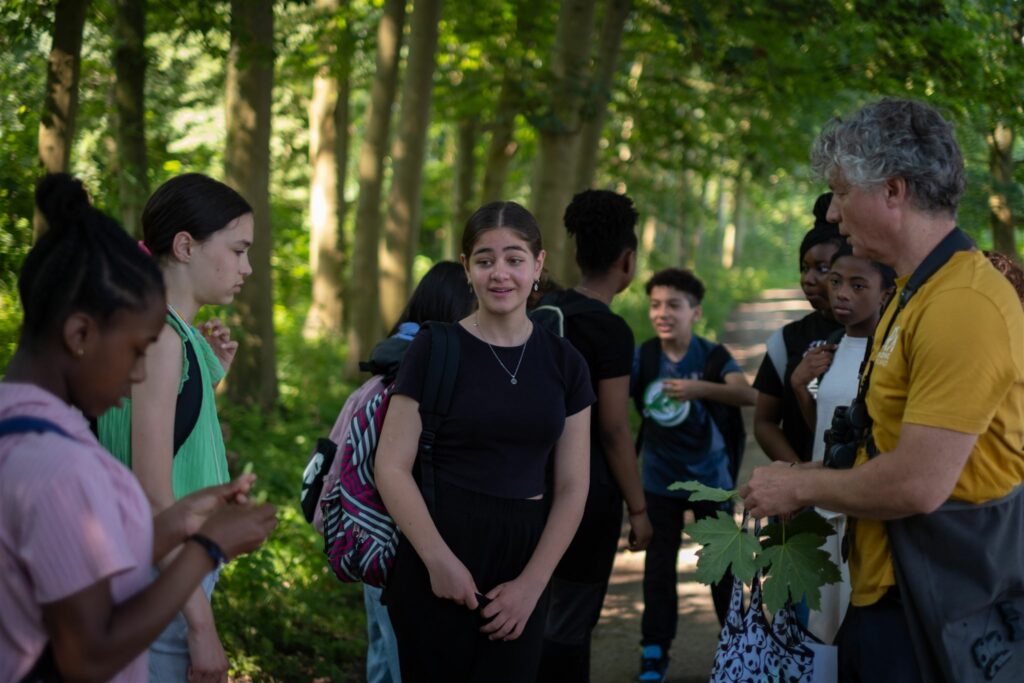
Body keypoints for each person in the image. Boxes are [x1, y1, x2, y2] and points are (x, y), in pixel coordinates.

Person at [741, 98, 1024, 682]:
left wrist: (801, 487)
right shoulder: (913, 293)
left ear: (893, 191)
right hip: (889, 588)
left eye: (843, 193)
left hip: (936, 603)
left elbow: (919, 483)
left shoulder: (962, 305)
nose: (836, 215)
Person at [0, 174, 276, 683]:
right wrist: (205, 552)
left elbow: (94, 561)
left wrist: (189, 521)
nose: (141, 373)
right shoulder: (59, 467)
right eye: (133, 352)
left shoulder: (29, 433)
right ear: (81, 333)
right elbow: (89, 653)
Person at [375, 201, 594, 682]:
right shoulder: (434, 347)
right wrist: (438, 561)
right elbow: (390, 465)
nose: (500, 274)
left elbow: (575, 486)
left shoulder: (566, 362)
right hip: (437, 547)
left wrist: (532, 585)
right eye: (485, 259)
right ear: (467, 268)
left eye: (514, 259)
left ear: (538, 266)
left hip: (525, 555)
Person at [97, 173, 254, 682]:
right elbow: (152, 497)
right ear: (186, 246)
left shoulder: (158, 332)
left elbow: (165, 442)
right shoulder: (162, 339)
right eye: (237, 250)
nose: (246, 268)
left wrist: (210, 377)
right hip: (160, 581)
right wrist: (202, 627)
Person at [314, 261, 476, 683]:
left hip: (370, 541)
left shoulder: (385, 363)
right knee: (407, 658)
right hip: (411, 550)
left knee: (384, 658)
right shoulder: (427, 375)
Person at [536, 190, 652, 683]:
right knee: (571, 622)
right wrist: (640, 509)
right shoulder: (610, 330)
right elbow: (612, 429)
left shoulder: (543, 311)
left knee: (531, 611)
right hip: (587, 499)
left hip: (525, 488)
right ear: (627, 261)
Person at [630, 268, 756, 683]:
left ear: (695, 312)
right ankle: (654, 653)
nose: (662, 313)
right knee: (658, 570)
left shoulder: (712, 356)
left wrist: (698, 389)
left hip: (710, 481)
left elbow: (746, 393)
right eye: (655, 304)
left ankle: (738, 650)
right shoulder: (643, 357)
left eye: (674, 305)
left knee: (721, 569)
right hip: (659, 481)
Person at [788, 242, 895, 643]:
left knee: (856, 622)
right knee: (819, 626)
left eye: (857, 285)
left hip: (861, 511)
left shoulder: (890, 354)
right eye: (836, 282)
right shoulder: (830, 348)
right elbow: (830, 436)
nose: (842, 293)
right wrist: (801, 389)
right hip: (821, 508)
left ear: (886, 292)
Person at [753, 194, 845, 464]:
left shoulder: (879, 336)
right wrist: (797, 473)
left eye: (823, 268)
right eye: (804, 268)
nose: (808, 279)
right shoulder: (787, 339)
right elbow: (764, 422)